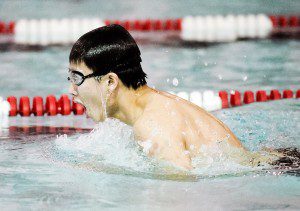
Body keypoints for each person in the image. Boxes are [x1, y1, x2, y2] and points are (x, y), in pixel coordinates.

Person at [67, 24, 252, 170]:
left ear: (110, 82)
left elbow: (181, 193)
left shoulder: (152, 125)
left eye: (77, 78)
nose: (72, 89)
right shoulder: (151, 108)